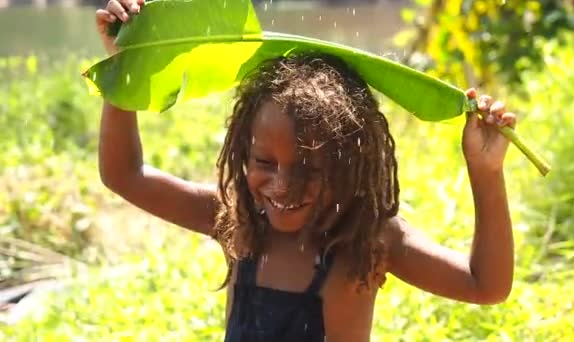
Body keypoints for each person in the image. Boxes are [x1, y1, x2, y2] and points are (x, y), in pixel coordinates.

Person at [95, 1, 516, 341]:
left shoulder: (369, 238)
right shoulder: (237, 222)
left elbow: (486, 284)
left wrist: (485, 171)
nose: (282, 185)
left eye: (309, 168)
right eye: (264, 163)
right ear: (243, 153)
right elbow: (124, 175)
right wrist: (128, 68)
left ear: (350, 162)